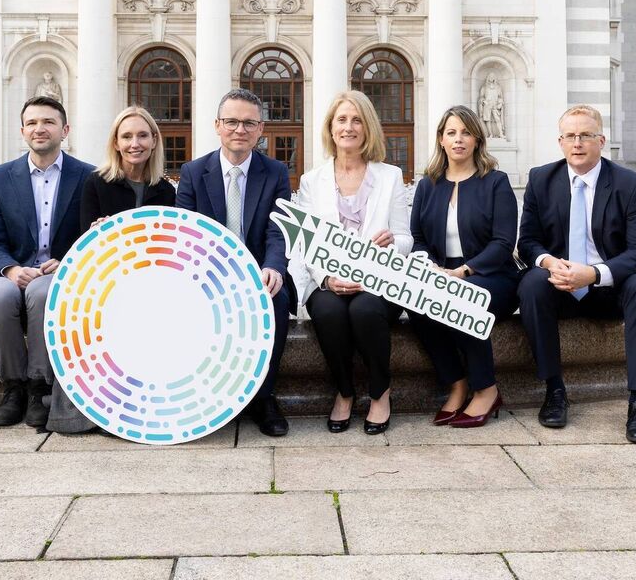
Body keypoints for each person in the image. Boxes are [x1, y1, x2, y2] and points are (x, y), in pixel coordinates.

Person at [516, 104, 636, 443]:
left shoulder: (629, 184)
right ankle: (554, 390)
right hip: (561, 284)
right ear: (560, 142)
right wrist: (549, 263)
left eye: (585, 135)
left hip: (613, 287)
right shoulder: (541, 179)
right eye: (570, 136)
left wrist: (594, 274)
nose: (577, 143)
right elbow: (527, 242)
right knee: (531, 284)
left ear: (601, 140)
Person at [46, 106, 177, 434]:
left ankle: (138, 408)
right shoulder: (96, 183)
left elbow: (170, 242)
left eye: (142, 135)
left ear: (154, 141)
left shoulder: (165, 189)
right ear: (116, 143)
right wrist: (97, 232)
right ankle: (86, 412)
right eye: (127, 136)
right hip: (106, 279)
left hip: (151, 280)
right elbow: (83, 245)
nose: (135, 142)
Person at [290, 90, 412, 435]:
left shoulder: (390, 176)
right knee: (328, 311)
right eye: (341, 120)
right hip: (327, 279)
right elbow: (307, 242)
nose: (348, 127)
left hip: (378, 280)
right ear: (330, 129)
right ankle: (344, 392)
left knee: (364, 310)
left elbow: (406, 238)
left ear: (367, 127)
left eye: (356, 120)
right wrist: (327, 278)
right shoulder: (312, 181)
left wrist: (391, 242)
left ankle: (379, 392)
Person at [176, 89, 294, 437]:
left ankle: (264, 397)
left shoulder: (275, 172)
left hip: (259, 273)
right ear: (217, 125)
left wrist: (274, 267)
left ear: (261, 129)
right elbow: (186, 233)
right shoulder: (194, 172)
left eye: (248, 123)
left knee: (278, 299)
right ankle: (207, 396)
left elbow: (279, 230)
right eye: (231, 121)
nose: (239, 129)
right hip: (206, 273)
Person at [0, 96, 94, 429]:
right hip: (11, 268)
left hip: (59, 271)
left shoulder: (87, 176)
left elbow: (89, 234)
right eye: (32, 123)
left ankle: (39, 388)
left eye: (48, 122)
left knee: (44, 295)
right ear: (22, 130)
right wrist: (11, 269)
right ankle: (13, 387)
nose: (39, 129)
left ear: (65, 130)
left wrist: (68, 260)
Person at [408, 105, 523, 428]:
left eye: (465, 132)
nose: (458, 139)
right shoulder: (427, 185)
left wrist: (463, 272)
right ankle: (457, 384)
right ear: (441, 140)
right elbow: (417, 238)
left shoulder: (495, 182)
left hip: (492, 275)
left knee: (461, 296)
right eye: (451, 133)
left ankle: (486, 389)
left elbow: (503, 243)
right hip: (442, 272)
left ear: (476, 139)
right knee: (414, 299)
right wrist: (430, 268)